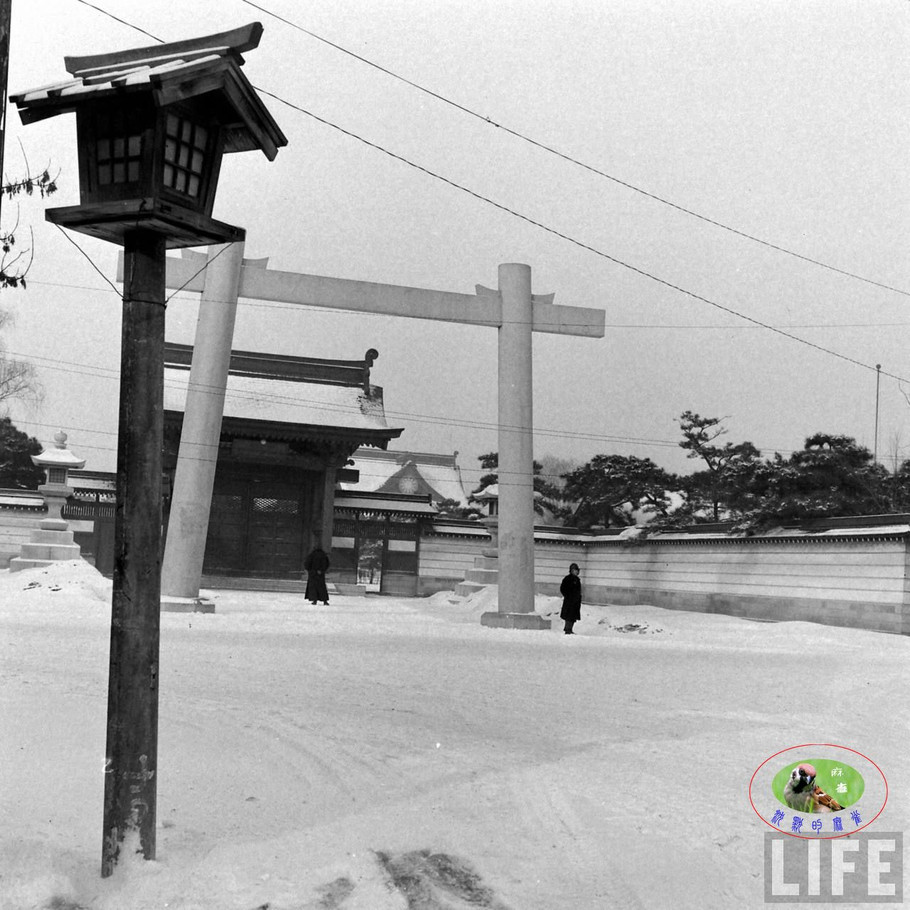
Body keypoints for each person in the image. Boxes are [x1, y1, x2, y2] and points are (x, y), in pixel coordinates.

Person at [559, 562, 582, 634]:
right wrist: (568, 596)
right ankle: (567, 629)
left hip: (575, 602)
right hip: (569, 601)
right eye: (575, 570)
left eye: (577, 570)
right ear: (571, 570)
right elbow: (563, 588)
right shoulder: (567, 579)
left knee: (573, 616)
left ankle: (570, 629)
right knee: (569, 615)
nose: (576, 572)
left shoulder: (577, 579)